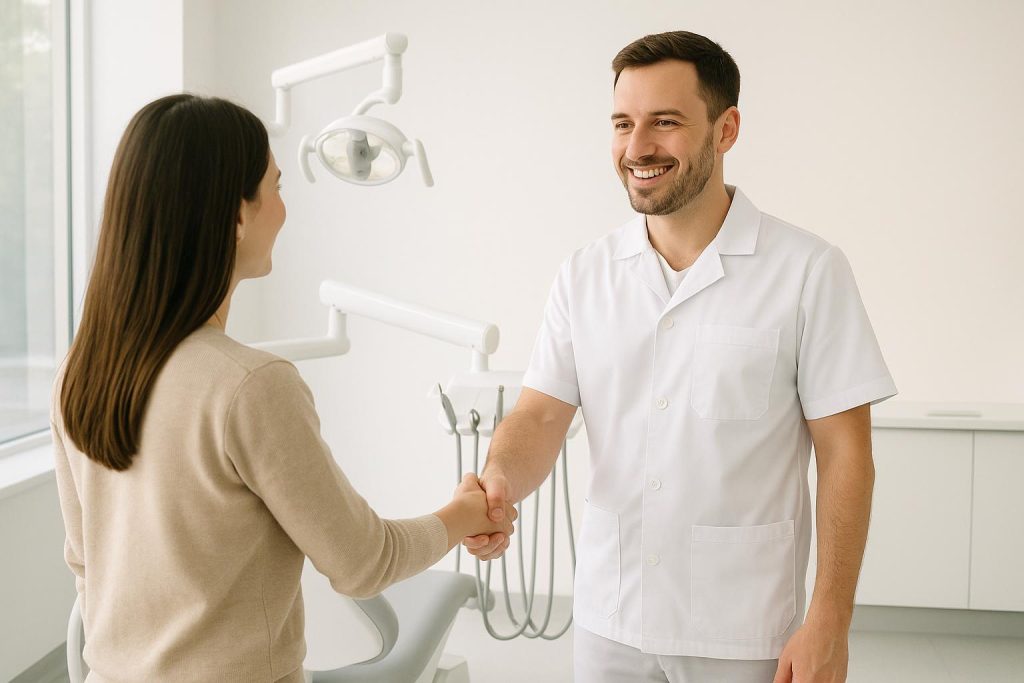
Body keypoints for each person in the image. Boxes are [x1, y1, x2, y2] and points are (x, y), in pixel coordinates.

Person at [463, 31, 897, 683]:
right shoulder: (585, 275)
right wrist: (498, 476)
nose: (637, 148)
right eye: (623, 124)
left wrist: (829, 620)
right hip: (610, 619)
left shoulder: (808, 272)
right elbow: (540, 416)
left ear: (726, 130)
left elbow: (846, 455)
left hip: (744, 628)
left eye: (665, 123)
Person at [51, 93, 515, 682]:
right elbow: (364, 562)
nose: (284, 209)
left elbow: (84, 559)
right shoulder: (249, 386)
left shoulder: (78, 373)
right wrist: (465, 513)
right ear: (237, 214)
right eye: (276, 186)